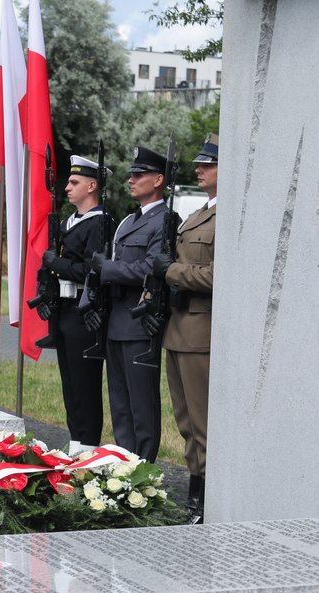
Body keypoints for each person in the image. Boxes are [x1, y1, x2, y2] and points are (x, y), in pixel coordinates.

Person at [88, 146, 179, 463]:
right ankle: (123, 469)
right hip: (116, 321)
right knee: (120, 403)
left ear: (158, 179)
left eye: (139, 175)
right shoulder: (127, 221)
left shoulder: (166, 220)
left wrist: (107, 270)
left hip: (141, 324)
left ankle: (144, 472)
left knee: (142, 405)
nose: (131, 179)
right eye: (131, 174)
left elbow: (151, 269)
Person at [150, 133, 218, 523]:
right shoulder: (196, 214)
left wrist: (170, 270)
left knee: (203, 423)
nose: (199, 169)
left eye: (208, 164)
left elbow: (215, 275)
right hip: (178, 329)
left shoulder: (224, 217)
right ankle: (195, 496)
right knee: (186, 423)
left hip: (200, 332)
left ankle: (206, 502)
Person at [37, 156, 116, 454]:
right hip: (63, 310)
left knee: (85, 386)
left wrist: (56, 263)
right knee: (69, 384)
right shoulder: (69, 221)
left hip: (85, 312)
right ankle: (75, 443)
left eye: (74, 182)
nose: (67, 187)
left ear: (92, 186)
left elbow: (92, 271)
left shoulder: (100, 222)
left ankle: (88, 447)